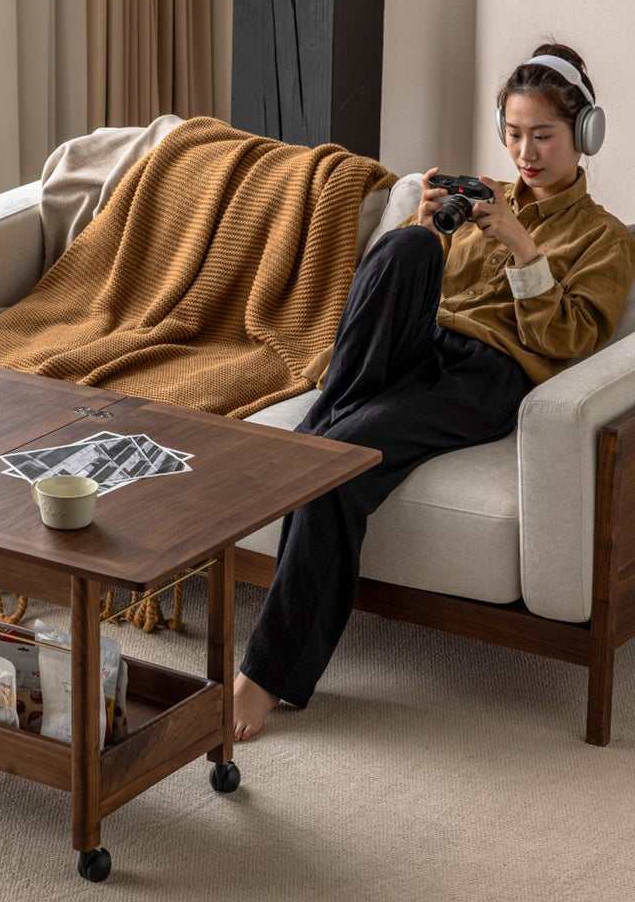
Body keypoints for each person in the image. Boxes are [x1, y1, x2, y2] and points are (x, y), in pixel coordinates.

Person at [233, 42, 635, 741]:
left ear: (584, 134)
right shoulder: (486, 201)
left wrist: (522, 248)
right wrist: (426, 224)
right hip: (418, 347)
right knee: (409, 247)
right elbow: (415, 291)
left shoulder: (606, 239)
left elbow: (569, 338)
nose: (525, 152)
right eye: (513, 134)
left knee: (337, 468)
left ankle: (264, 677)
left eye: (543, 135)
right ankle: (326, 423)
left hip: (486, 374)